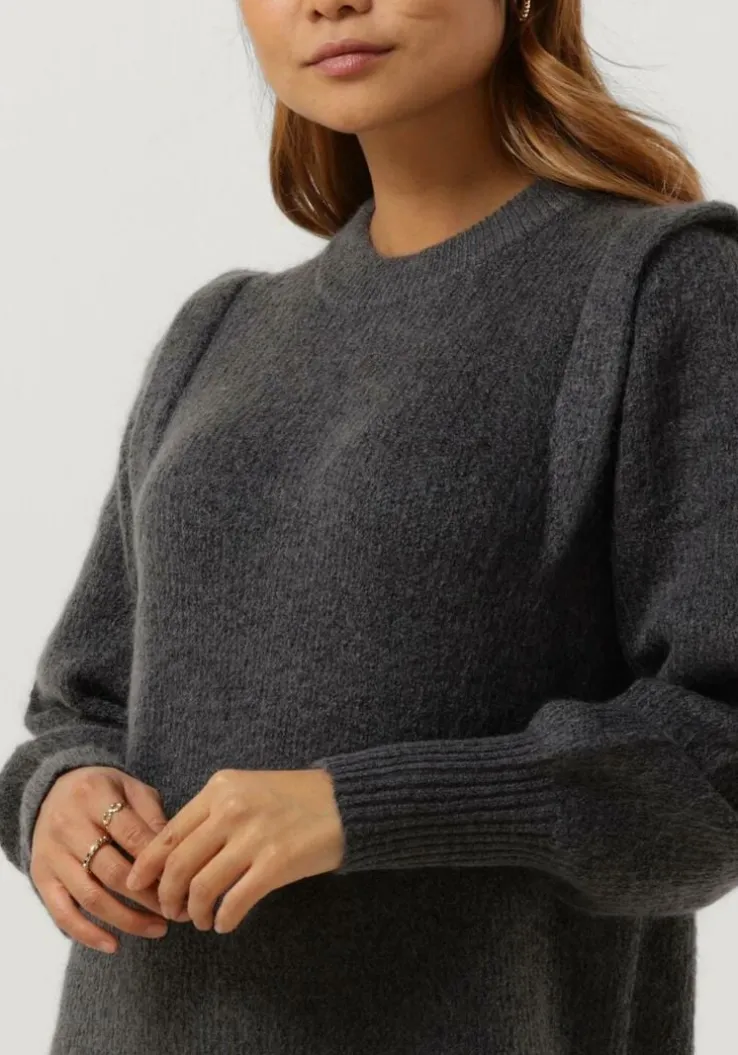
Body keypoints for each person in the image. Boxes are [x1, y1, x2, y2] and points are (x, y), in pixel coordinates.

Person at [2, 0, 738, 1052]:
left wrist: (361, 809)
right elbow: (76, 708)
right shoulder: (220, 332)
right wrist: (62, 793)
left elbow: (714, 763)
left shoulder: (663, 288)